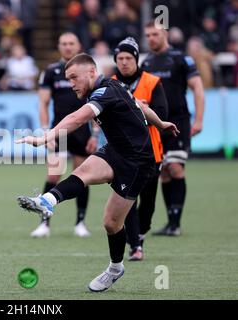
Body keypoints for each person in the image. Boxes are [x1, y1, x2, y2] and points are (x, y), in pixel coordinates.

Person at [15, 53, 179, 292]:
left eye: (74, 78)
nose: (71, 84)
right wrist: (161, 123)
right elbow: (141, 106)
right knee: (83, 172)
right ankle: (46, 201)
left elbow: (77, 118)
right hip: (116, 152)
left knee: (111, 223)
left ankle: (115, 268)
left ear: (91, 72)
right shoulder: (115, 85)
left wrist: (47, 137)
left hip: (138, 163)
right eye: (68, 79)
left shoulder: (104, 91)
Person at [30, 32, 97, 238]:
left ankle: (80, 222)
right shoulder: (51, 71)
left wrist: (95, 133)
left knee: (82, 175)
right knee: (53, 175)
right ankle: (44, 224)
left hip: (83, 131)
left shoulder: (88, 71)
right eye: (64, 43)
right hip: (59, 132)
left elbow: (96, 103)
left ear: (78, 46)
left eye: (71, 43)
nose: (67, 47)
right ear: (59, 46)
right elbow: (43, 102)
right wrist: (45, 131)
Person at [142, 21, 205, 236]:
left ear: (165, 34)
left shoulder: (180, 59)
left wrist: (198, 120)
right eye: (148, 35)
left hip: (178, 122)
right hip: (156, 125)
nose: (151, 38)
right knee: (164, 173)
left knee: (176, 167)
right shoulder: (147, 62)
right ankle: (171, 222)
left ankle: (176, 223)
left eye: (155, 34)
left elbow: (198, 88)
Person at [112, 37, 168, 261]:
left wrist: (138, 113)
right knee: (128, 200)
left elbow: (162, 115)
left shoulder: (153, 82)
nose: (124, 62)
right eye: (120, 58)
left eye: (128, 58)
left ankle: (140, 234)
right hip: (123, 155)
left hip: (151, 153)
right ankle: (135, 245)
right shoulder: (111, 83)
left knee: (148, 205)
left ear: (136, 59)